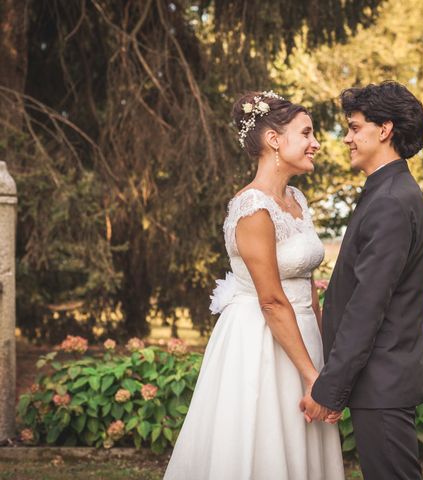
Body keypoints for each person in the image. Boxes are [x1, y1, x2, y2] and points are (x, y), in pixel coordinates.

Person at [164, 91, 344, 480]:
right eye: (306, 133)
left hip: (305, 336)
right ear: (274, 141)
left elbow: (308, 283)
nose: (316, 143)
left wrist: (325, 361)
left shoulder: (296, 199)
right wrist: (313, 378)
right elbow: (272, 301)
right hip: (263, 342)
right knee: (264, 444)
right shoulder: (252, 208)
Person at [300, 81, 423, 480]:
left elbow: (367, 307)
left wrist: (330, 389)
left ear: (385, 129)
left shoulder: (391, 201)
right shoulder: (386, 190)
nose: (347, 138)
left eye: (355, 127)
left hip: (383, 381)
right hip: (382, 379)